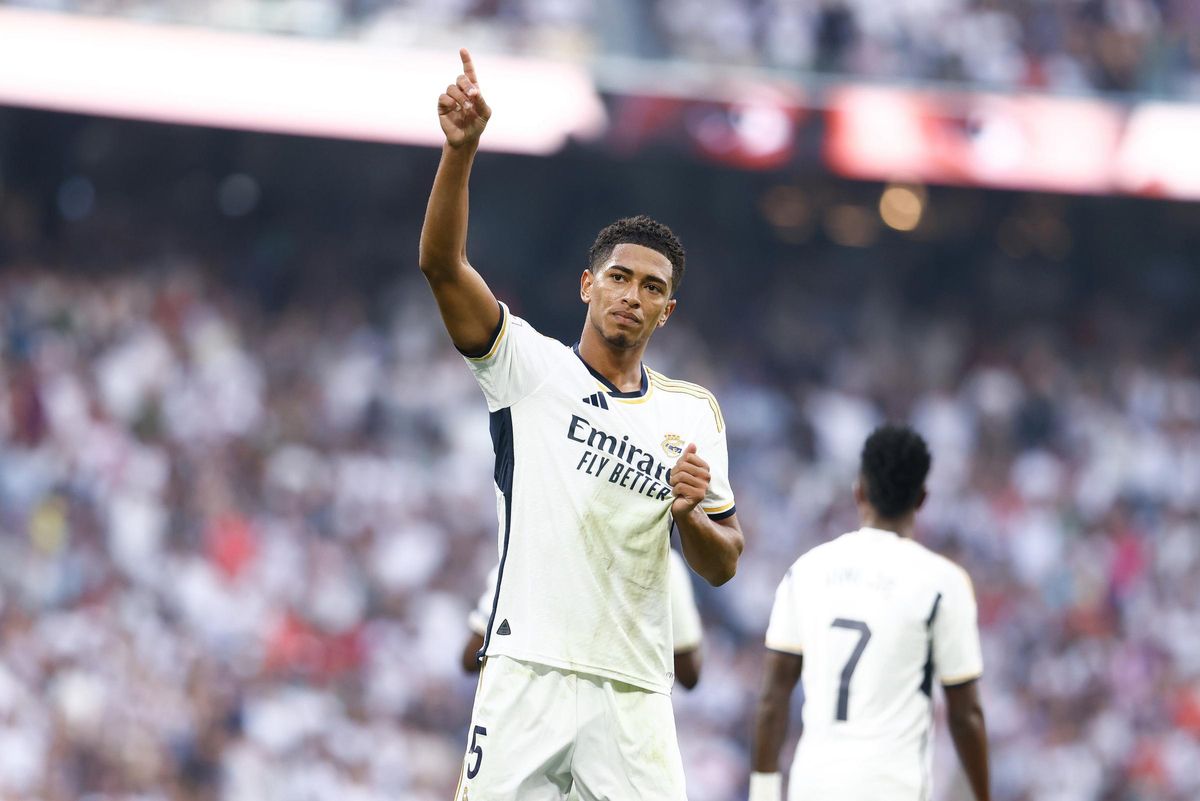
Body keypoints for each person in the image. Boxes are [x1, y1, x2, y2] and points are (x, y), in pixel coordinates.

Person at [420, 49, 744, 801]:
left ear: (669, 309)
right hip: (527, 668)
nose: (633, 295)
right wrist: (459, 152)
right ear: (588, 285)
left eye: (652, 287)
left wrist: (690, 515)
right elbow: (442, 266)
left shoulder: (691, 413)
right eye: (621, 277)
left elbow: (723, 559)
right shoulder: (529, 368)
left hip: (632, 690)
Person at [749, 425, 989, 801]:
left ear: (858, 490)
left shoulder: (807, 570)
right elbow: (965, 713)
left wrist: (763, 791)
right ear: (922, 498)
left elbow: (773, 694)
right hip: (892, 785)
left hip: (813, 783)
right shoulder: (943, 583)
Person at [460, 548, 704, 690]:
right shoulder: (662, 561)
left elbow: (471, 657)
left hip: (532, 721)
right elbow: (689, 673)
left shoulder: (536, 546)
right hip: (619, 732)